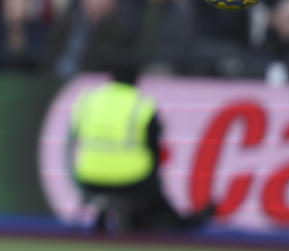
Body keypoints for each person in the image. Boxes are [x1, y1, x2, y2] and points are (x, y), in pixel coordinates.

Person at [68, 57, 215, 234]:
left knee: (148, 183)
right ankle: (174, 223)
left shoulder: (89, 100)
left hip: (87, 175)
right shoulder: (141, 104)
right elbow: (154, 146)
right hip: (130, 178)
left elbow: (73, 138)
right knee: (152, 184)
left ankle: (111, 217)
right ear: (137, 80)